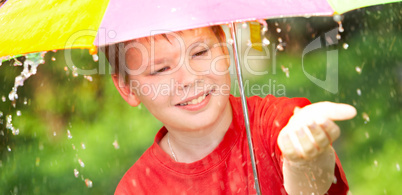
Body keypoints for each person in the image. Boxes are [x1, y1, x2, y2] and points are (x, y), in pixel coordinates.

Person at [102, 25, 356, 195]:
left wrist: (303, 161)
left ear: (224, 47)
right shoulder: (138, 189)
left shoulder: (275, 123)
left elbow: (313, 187)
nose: (189, 78)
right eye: (160, 69)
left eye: (200, 52)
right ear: (127, 88)